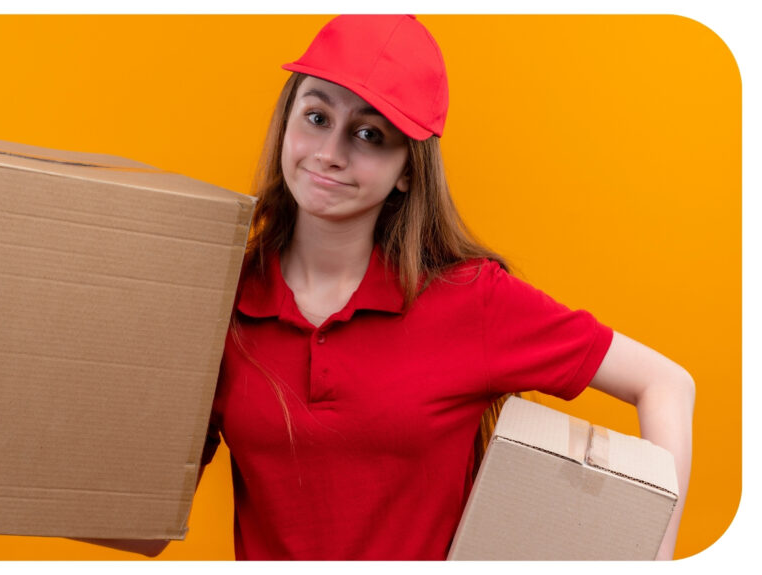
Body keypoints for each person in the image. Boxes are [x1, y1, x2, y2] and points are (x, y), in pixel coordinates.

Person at [198, 14, 695, 561]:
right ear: (286, 121)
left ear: (407, 169)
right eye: (316, 117)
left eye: (369, 134)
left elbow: (666, 383)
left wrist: (657, 557)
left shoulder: (470, 300)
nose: (330, 152)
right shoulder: (217, 299)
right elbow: (144, 528)